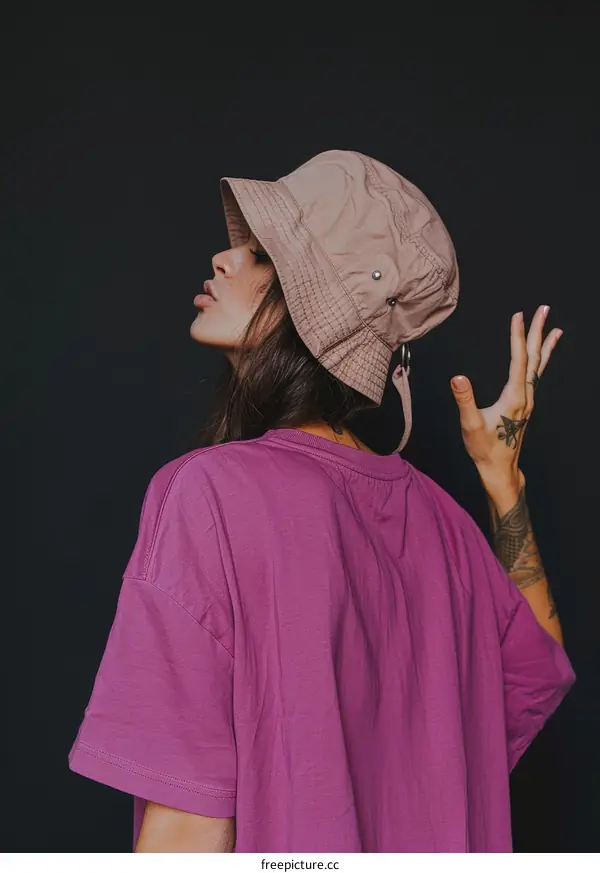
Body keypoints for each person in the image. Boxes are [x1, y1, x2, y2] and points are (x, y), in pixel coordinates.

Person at [68, 150, 576, 852]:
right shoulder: (447, 527)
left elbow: (187, 826)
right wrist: (504, 486)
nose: (222, 258)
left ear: (315, 307)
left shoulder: (209, 496)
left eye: (262, 256)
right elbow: (536, 661)